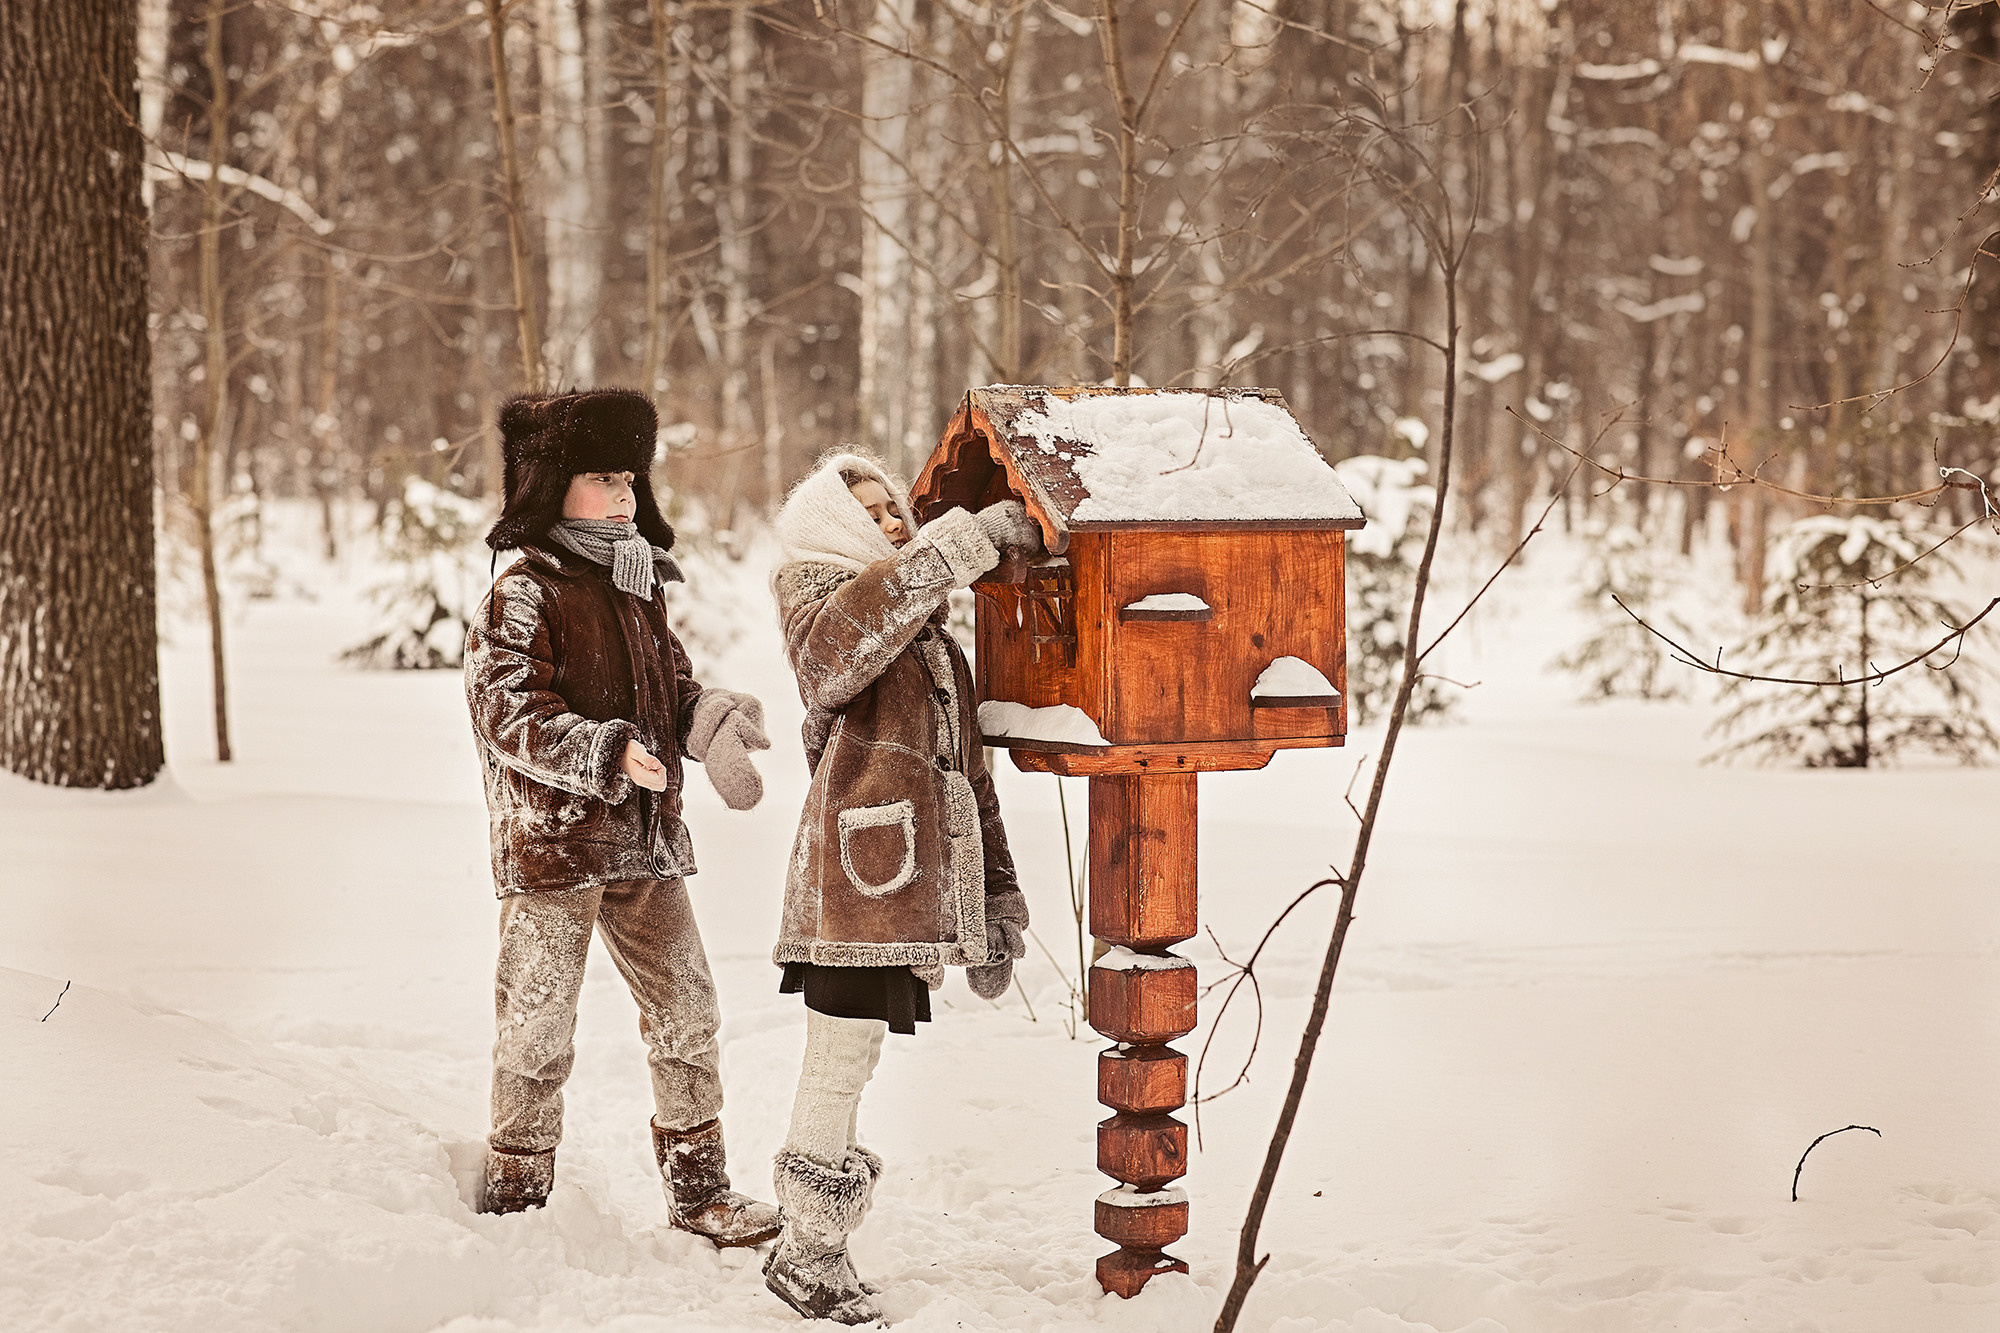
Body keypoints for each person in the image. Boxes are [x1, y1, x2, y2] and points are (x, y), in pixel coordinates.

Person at [463, 388, 779, 1246]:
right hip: (556, 845)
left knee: (688, 1008)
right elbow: (505, 709)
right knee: (538, 1024)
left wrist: (707, 718)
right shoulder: (522, 593)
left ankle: (701, 1191)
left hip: (642, 843)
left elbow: (669, 688)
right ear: (548, 483)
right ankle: (518, 1193)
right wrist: (604, 752)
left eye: (630, 477)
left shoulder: (637, 586)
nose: (624, 494)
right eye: (601, 476)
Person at [760, 452, 1041, 1323]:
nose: (892, 522)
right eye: (872, 513)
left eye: (894, 510)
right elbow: (838, 657)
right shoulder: (818, 607)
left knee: (856, 1055)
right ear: (831, 527)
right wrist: (957, 548)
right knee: (838, 1056)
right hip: (851, 884)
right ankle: (807, 1254)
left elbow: (970, 776)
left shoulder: (930, 636)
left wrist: (996, 896)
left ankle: (808, 1243)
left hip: (909, 884)